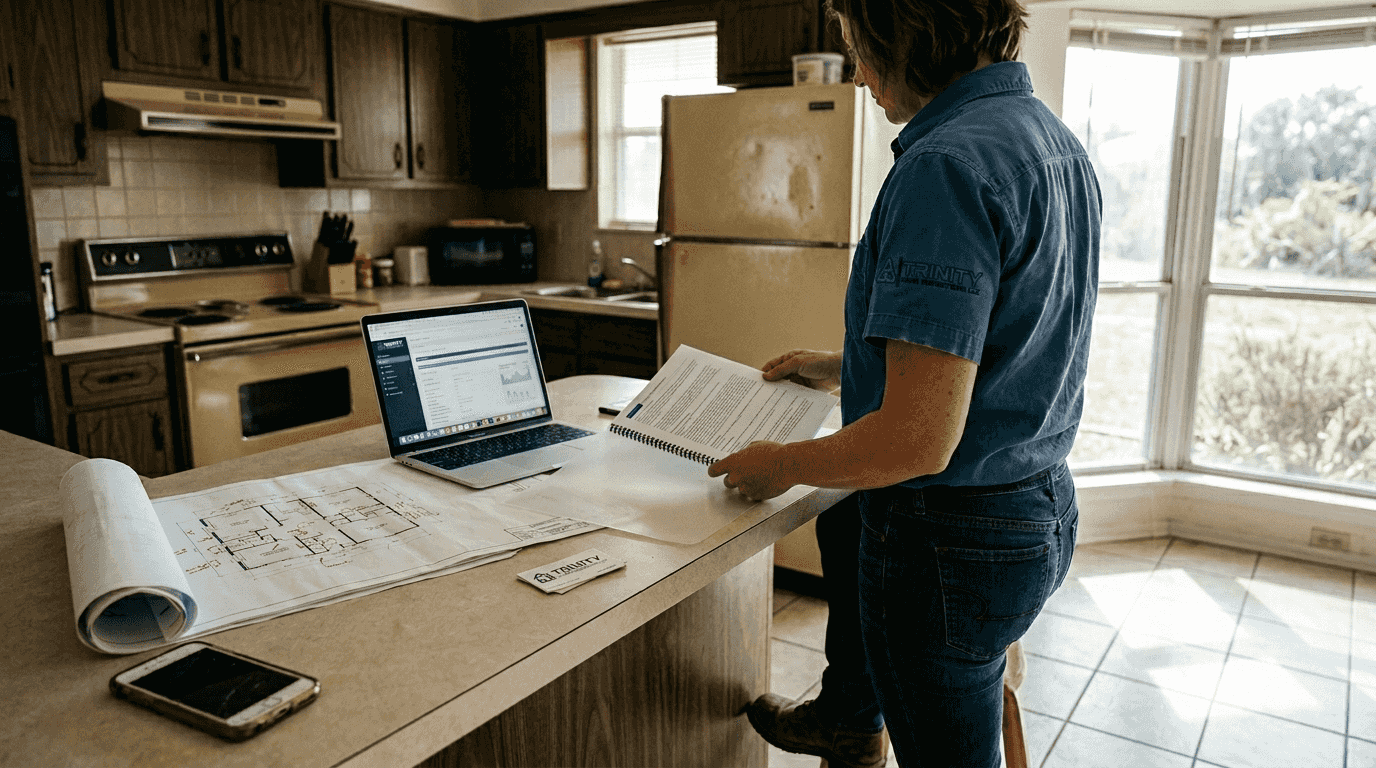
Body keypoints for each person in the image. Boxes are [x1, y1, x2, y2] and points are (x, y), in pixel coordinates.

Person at [704, 1, 1101, 766]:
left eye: (858, 45)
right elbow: (1007, 335)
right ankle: (850, 716)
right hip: (1039, 503)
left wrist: (778, 465)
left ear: (904, 37)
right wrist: (841, 363)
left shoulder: (943, 167)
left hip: (950, 540)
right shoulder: (1050, 140)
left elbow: (917, 440)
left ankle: (854, 719)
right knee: (846, 523)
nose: (858, 72)